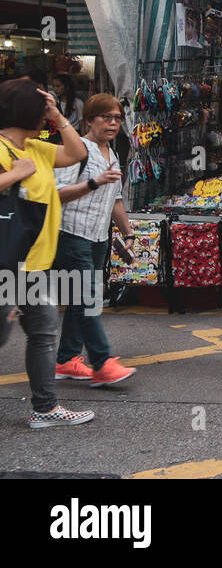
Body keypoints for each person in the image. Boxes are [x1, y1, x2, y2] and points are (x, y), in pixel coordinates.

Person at [0, 78, 93, 428]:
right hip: (8, 266)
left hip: (33, 267)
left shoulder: (35, 148)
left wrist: (57, 115)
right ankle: (45, 407)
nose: (46, 117)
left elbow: (77, 153)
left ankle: (45, 408)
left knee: (42, 333)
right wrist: (13, 176)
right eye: (43, 110)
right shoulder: (3, 149)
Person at [51, 94, 137, 387]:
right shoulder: (76, 151)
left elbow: (116, 199)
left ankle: (67, 360)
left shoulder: (111, 154)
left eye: (117, 118)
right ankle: (102, 362)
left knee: (80, 301)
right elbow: (55, 192)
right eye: (105, 117)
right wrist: (92, 183)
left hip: (98, 238)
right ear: (89, 120)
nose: (112, 123)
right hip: (71, 235)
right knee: (87, 300)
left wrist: (128, 233)